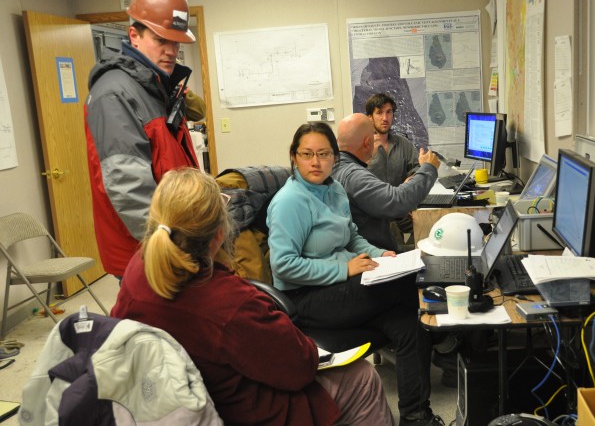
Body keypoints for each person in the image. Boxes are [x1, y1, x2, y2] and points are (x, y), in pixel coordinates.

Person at [111, 167, 394, 426]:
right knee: (361, 377)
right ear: (219, 234)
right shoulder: (231, 303)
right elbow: (299, 367)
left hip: (160, 401)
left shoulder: (138, 269)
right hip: (239, 410)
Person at [267, 122, 443, 426]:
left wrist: (379, 254)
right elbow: (283, 265)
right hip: (307, 298)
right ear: (294, 157)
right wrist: (343, 268)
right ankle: (452, 338)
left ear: (334, 157)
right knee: (410, 284)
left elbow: (352, 237)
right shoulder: (289, 201)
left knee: (409, 323)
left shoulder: (334, 189)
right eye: (307, 154)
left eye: (324, 154)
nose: (315, 162)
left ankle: (415, 417)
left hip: (346, 287)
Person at [84, 0, 199, 278]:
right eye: (161, 40)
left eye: (176, 43)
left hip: (176, 239)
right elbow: (128, 187)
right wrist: (169, 247)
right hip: (151, 253)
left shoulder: (156, 85)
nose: (171, 51)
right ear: (134, 35)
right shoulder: (115, 93)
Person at [332, 113, 440, 252]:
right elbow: (397, 201)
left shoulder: (333, 167)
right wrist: (428, 168)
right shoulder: (354, 176)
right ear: (368, 142)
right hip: (376, 254)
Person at [366, 93, 420, 187]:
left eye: (388, 112)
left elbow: (417, 169)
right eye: (379, 112)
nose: (385, 118)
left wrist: (412, 179)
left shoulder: (404, 144)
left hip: (401, 195)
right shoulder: (362, 146)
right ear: (370, 117)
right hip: (371, 196)